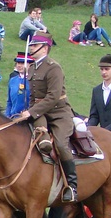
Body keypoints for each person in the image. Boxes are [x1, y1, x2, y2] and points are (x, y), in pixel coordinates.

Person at [14, 35, 77, 202]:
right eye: (31, 44)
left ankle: (71, 185)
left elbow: (54, 96)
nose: (32, 48)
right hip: (40, 114)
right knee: (34, 140)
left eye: (35, 45)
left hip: (59, 113)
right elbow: (33, 97)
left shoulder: (53, 67)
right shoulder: (33, 68)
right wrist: (27, 112)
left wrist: (32, 112)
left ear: (45, 48)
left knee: (62, 145)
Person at [5, 53, 32, 118]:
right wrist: (7, 116)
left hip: (27, 118)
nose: (19, 65)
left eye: (22, 63)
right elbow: (9, 102)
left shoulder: (33, 81)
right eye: (18, 63)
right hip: (13, 117)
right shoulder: (12, 80)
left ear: (30, 65)